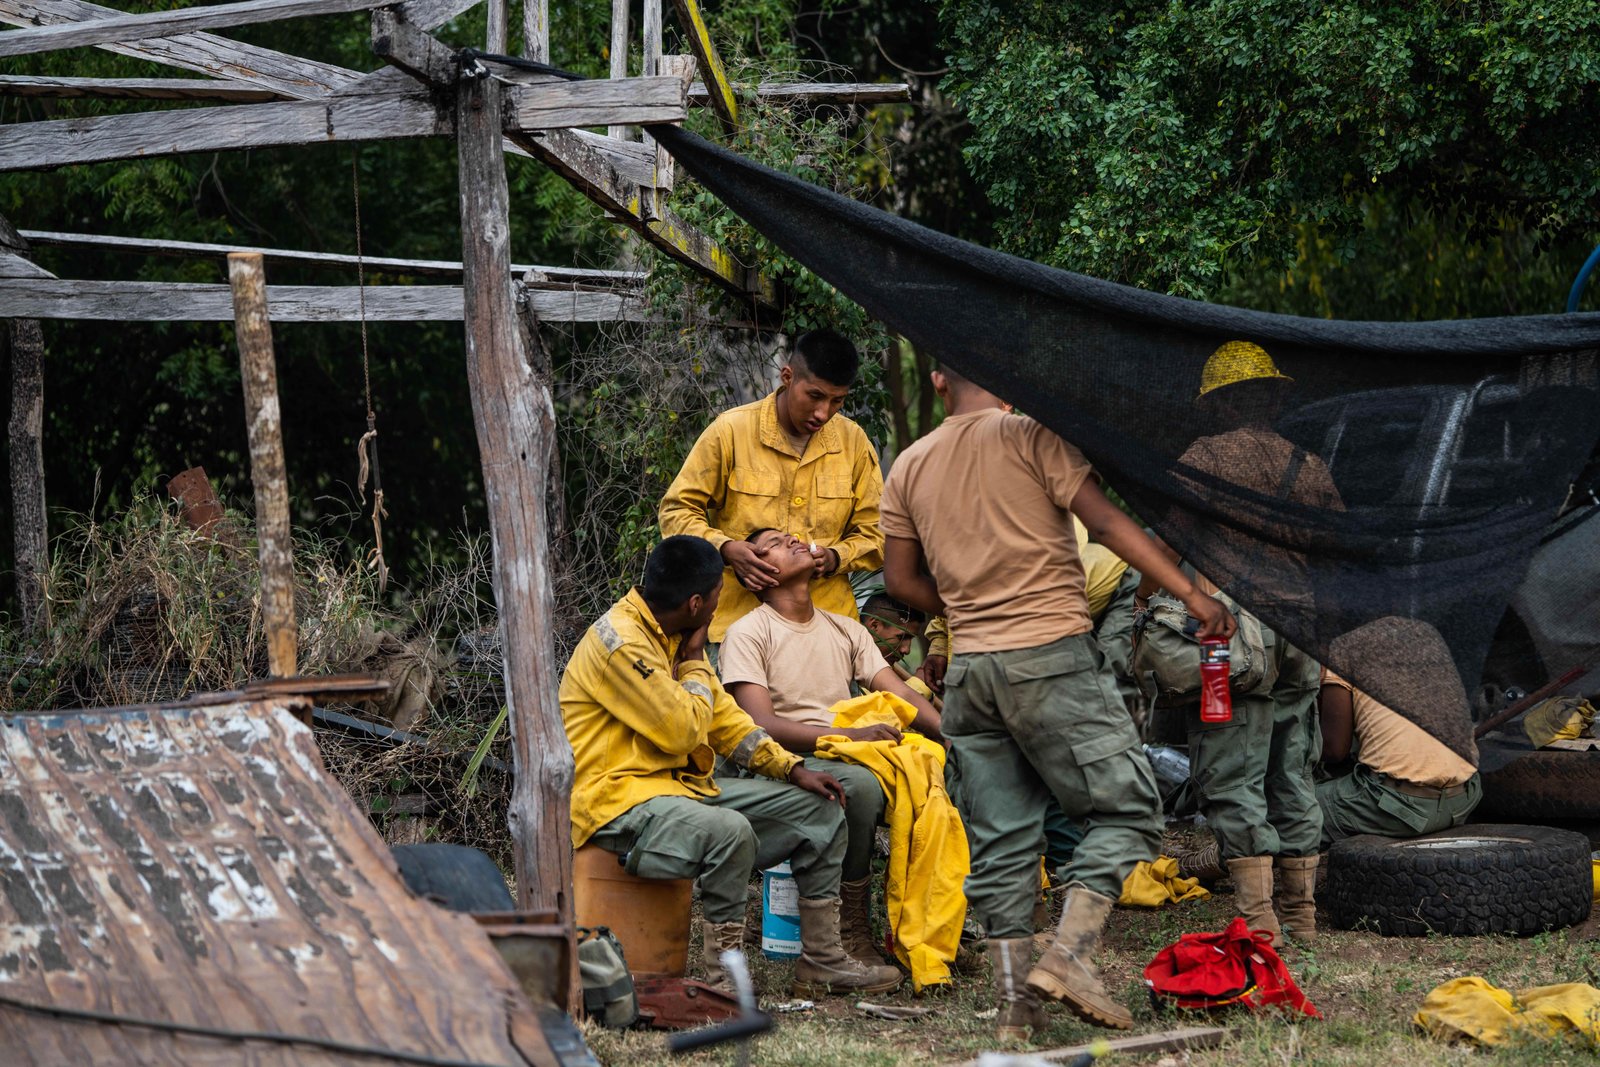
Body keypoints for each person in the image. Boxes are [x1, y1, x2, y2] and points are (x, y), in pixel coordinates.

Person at [881, 366, 1236, 1036]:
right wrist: (1193, 596)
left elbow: (899, 577)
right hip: (1049, 656)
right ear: (1005, 378)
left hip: (972, 677)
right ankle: (1069, 955)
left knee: (1004, 840)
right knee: (1129, 806)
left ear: (937, 380)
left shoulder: (909, 464)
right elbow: (1103, 523)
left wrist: (963, 608)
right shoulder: (1030, 435)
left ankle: (1018, 1009)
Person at [559, 535, 902, 996]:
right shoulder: (622, 642)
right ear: (697, 602)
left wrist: (792, 770)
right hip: (616, 800)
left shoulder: (668, 633)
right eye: (718, 601)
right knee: (729, 830)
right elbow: (683, 730)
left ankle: (822, 961)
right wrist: (698, 662)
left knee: (821, 809)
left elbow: (726, 722)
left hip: (676, 790)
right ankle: (722, 978)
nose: (719, 612)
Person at [1144, 340, 1344, 945]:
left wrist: (1140, 602)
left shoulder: (1204, 457)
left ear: (1220, 404)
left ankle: (1261, 925)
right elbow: (1333, 549)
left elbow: (1167, 546)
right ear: (1270, 399)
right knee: (1291, 774)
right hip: (1299, 640)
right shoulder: (1308, 465)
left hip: (1226, 642)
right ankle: (1302, 918)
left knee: (1232, 777)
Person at [719, 528, 944, 965]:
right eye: (779, 544)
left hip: (844, 750)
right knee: (859, 787)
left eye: (794, 537)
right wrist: (850, 737)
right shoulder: (747, 632)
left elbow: (898, 693)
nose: (796, 541)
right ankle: (850, 925)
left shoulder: (845, 629)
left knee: (933, 769)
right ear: (759, 571)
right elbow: (759, 724)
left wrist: (950, 732)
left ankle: (927, 925)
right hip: (783, 760)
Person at [659, 329, 884, 644]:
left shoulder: (854, 443)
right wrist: (724, 548)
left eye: (837, 400)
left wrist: (835, 557)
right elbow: (677, 510)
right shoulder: (731, 431)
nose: (824, 413)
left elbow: (877, 535)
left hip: (829, 631)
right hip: (736, 630)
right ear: (788, 376)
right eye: (815, 396)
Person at [1317, 618, 1482, 847]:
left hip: (1399, 808)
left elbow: (1334, 750)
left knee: (1288, 811)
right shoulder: (1426, 634)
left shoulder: (1345, 647)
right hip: (1463, 799)